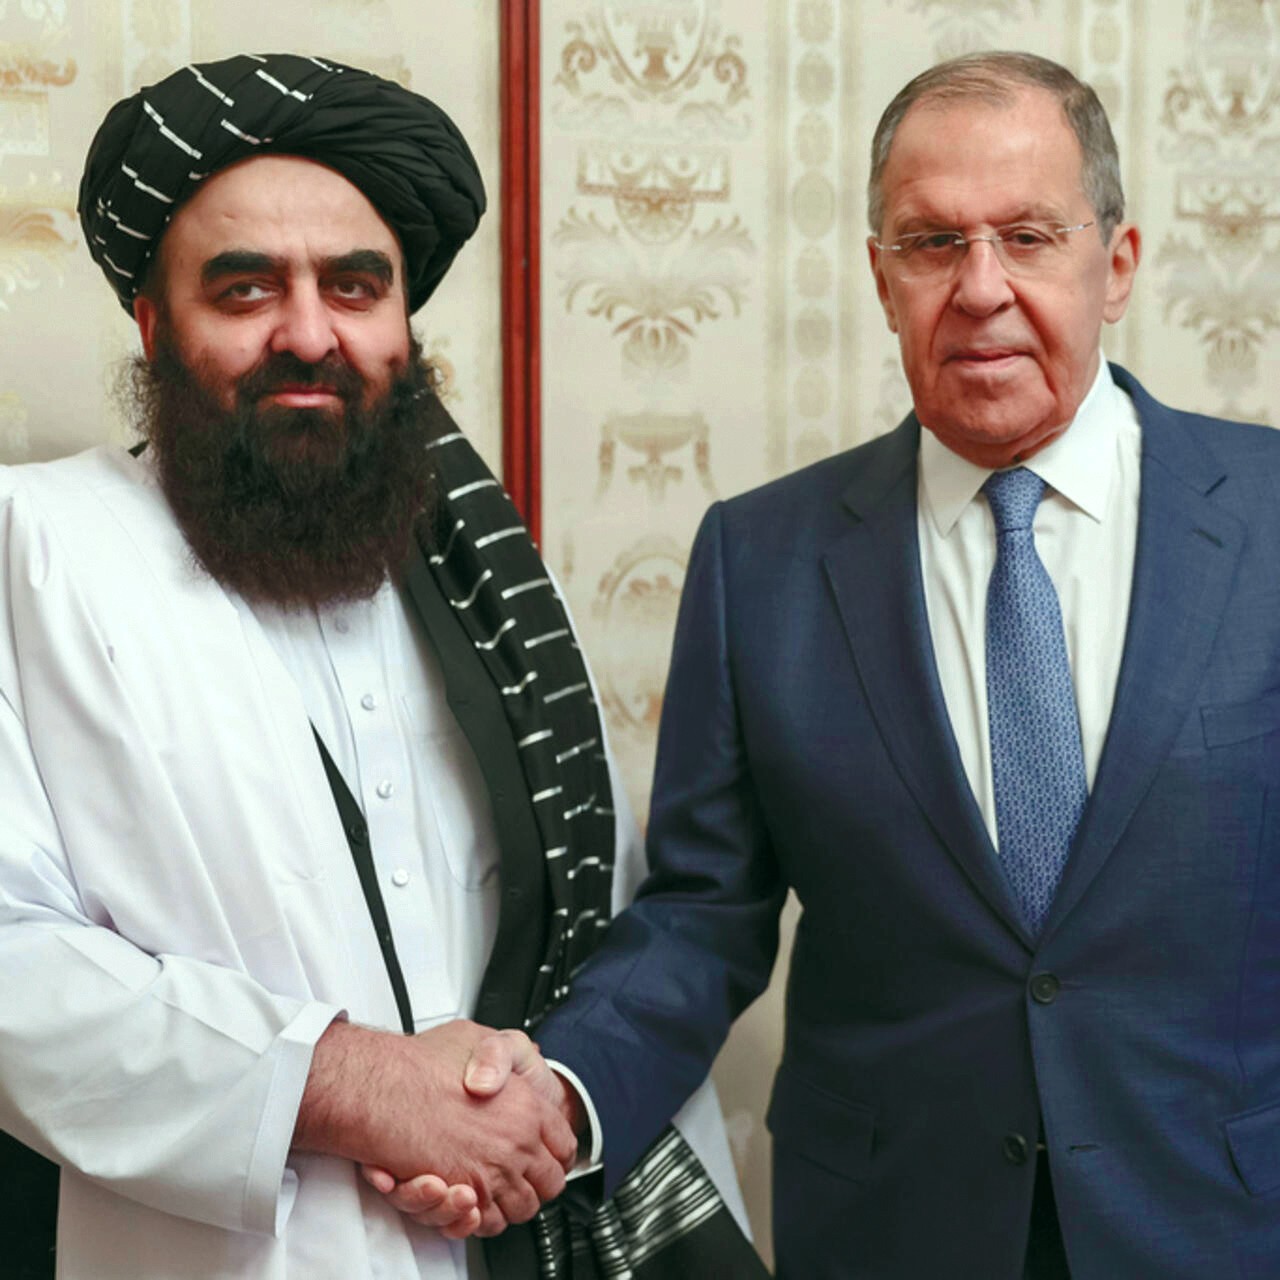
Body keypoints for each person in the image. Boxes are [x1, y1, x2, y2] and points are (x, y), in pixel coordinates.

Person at [380, 49, 1280, 1279]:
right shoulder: (761, 558)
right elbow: (702, 913)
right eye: (931, 243)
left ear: (1114, 264)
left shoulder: (1265, 516)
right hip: (889, 1230)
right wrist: (559, 1093)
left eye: (1026, 237)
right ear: (879, 276)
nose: (979, 288)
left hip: (1220, 1219)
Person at [0, 52, 757, 1280]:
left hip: (522, 1234)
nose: (310, 333)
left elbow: (602, 920)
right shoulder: (39, 548)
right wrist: (351, 1083)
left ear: (403, 326)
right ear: (152, 324)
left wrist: (531, 1107)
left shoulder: (481, 580)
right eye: (245, 288)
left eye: (354, 286)